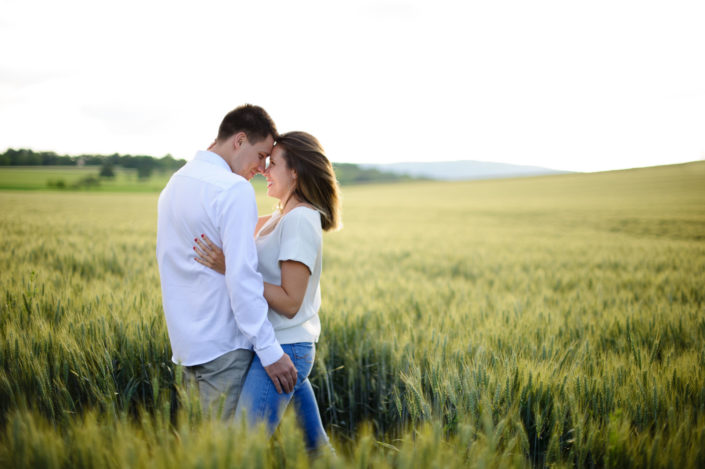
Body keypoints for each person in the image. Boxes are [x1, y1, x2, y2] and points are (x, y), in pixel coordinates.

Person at [193, 131, 341, 452]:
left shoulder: (300, 220)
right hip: (280, 345)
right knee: (315, 447)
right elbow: (234, 223)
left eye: (272, 164)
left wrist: (231, 269)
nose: (264, 171)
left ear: (295, 172)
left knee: (242, 448)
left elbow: (290, 302)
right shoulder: (280, 215)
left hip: (286, 349)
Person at [156, 105, 298, 422]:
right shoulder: (233, 190)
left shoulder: (174, 185)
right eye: (261, 154)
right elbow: (243, 279)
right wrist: (271, 351)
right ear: (239, 140)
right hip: (225, 348)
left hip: (186, 347)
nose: (262, 168)